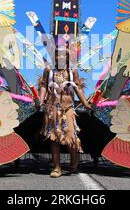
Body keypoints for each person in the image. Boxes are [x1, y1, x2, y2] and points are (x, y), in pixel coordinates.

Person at [38, 45, 92, 178]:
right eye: (58, 54)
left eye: (64, 54)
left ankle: (74, 162)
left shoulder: (72, 71)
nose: (61, 56)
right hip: (52, 109)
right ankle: (57, 167)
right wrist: (40, 100)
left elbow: (78, 89)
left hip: (68, 109)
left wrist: (86, 103)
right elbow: (44, 85)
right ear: (54, 56)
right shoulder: (49, 70)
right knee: (54, 138)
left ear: (68, 57)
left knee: (71, 138)